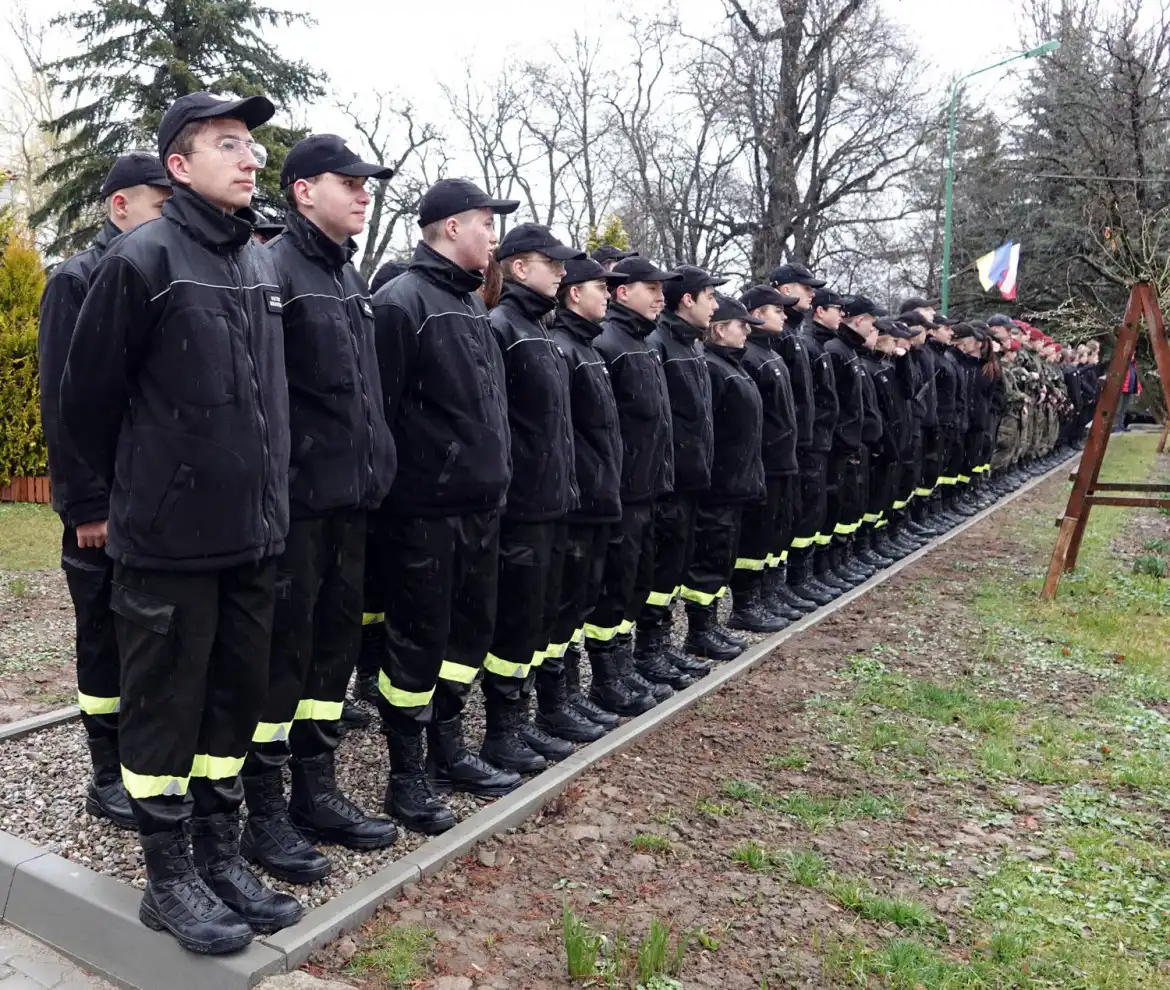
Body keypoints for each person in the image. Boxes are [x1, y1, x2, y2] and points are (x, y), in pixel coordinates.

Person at [59, 92, 301, 953]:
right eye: (227, 143)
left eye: (251, 144)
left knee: (231, 704)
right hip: (168, 540)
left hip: (254, 535)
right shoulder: (142, 260)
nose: (249, 158)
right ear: (178, 165)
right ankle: (168, 880)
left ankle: (218, 854)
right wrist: (111, 502)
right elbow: (85, 402)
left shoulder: (260, 267)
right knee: (165, 708)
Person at [240, 134, 399, 886]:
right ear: (304, 190)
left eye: (367, 184)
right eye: (350, 182)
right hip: (298, 510)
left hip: (351, 505)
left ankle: (317, 793)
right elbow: (261, 399)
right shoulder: (274, 269)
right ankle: (264, 814)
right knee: (282, 662)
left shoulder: (347, 276)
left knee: (331, 658)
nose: (365, 193)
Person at [372, 178, 522, 835]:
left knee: (467, 637)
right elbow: (379, 411)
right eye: (486, 222)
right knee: (415, 644)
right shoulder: (402, 302)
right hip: (424, 514)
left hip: (481, 510)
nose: (494, 235)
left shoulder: (469, 307)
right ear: (452, 226)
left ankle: (449, 751)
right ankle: (406, 779)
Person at [38, 153, 172, 833]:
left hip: (148, 497)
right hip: (101, 506)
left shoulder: (154, 272)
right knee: (103, 637)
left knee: (145, 632)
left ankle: (143, 756)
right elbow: (63, 402)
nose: (168, 214)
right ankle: (105, 771)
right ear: (120, 207)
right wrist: (85, 504)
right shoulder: (77, 278)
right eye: (158, 201)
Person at [479, 223, 584, 773]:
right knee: (516, 622)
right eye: (553, 264)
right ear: (520, 267)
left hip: (552, 501)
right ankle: (501, 732)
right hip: (521, 507)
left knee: (542, 618)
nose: (563, 273)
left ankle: (529, 721)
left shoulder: (540, 330)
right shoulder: (502, 329)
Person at [587, 256, 679, 715]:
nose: (661, 296)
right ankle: (607, 679)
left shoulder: (642, 343)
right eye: (651, 288)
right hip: (621, 492)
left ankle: (627, 668)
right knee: (614, 588)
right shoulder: (609, 343)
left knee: (636, 584)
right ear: (623, 292)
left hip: (647, 490)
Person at [547, 258, 627, 733]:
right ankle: (556, 703)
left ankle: (572, 695)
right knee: (563, 607)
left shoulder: (588, 348)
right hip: (577, 501)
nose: (608, 295)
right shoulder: (564, 349)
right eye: (602, 287)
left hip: (598, 496)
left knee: (581, 602)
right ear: (575, 293)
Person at [640, 265, 725, 672]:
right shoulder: (659, 343)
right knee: (658, 572)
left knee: (676, 566)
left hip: (692, 479)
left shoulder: (692, 345)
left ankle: (664, 645)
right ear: (687, 299)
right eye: (710, 296)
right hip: (668, 484)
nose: (717, 305)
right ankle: (648, 652)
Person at [682, 295, 766, 641]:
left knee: (723, 556)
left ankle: (713, 624)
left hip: (737, 480)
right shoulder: (713, 367)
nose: (747, 332)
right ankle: (700, 630)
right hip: (719, 483)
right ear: (719, 330)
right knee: (709, 558)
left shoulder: (735, 365)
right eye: (741, 325)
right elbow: (707, 427)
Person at [734, 285, 811, 628]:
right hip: (764, 461)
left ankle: (770, 592)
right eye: (776, 310)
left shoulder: (771, 354)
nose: (784, 315)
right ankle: (747, 604)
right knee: (758, 531)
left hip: (783, 458)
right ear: (755, 313)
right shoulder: (748, 356)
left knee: (778, 528)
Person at [770, 263, 838, 606]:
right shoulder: (783, 335)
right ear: (784, 289)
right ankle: (782, 584)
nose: (812, 293)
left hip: (805, 442)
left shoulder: (796, 334)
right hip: (788, 445)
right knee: (785, 517)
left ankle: (798, 578)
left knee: (802, 511)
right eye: (805, 287)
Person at [808, 288, 871, 589]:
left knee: (838, 503)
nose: (841, 314)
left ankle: (832, 563)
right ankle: (818, 569)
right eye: (836, 308)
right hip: (830, 443)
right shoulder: (833, 350)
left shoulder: (841, 350)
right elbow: (829, 403)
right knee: (826, 504)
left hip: (842, 441)